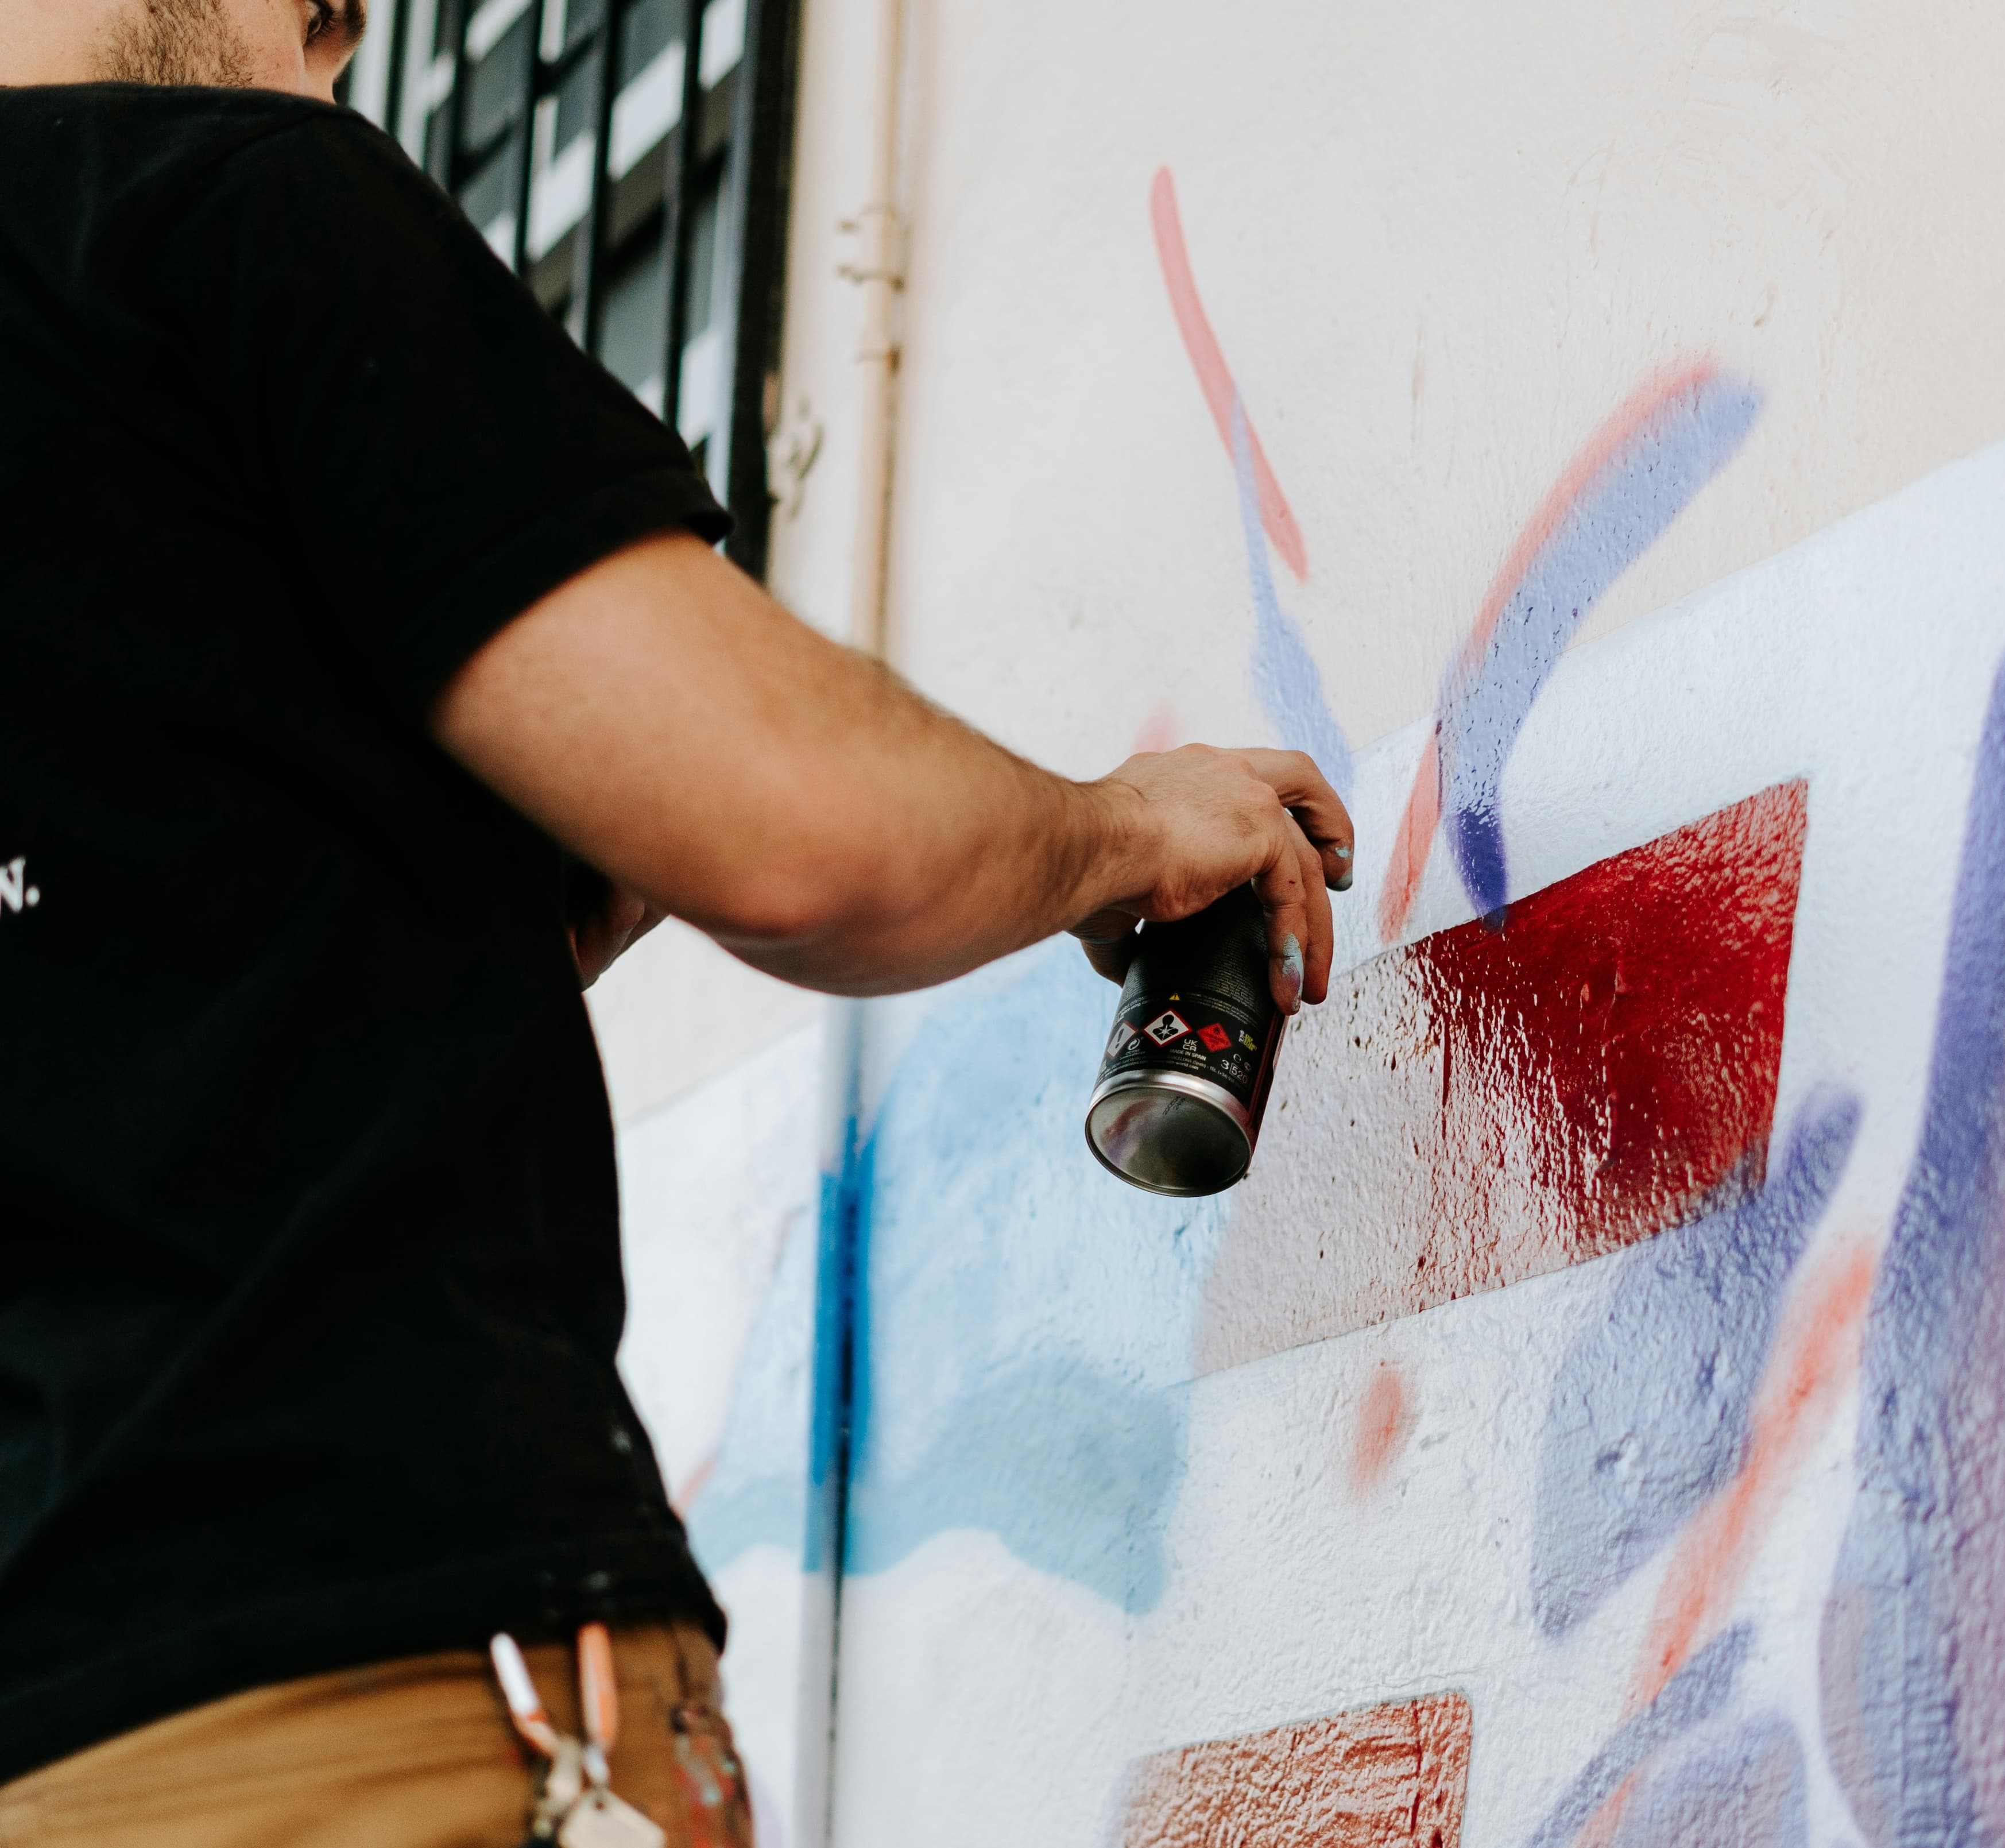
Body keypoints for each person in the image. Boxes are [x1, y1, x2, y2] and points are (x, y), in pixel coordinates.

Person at [0, 0, 1355, 1838]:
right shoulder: (226, 210)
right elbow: (804, 837)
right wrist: (1118, 830)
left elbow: (188, 948)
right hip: (342, 1713)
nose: (347, 15)